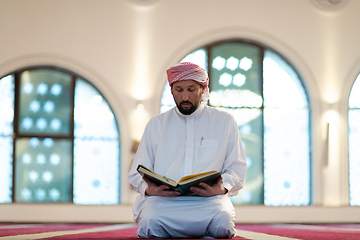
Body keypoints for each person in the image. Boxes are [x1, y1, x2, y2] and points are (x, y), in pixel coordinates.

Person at [128, 62, 247, 239]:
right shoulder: (156, 124)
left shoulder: (225, 121)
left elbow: (236, 167)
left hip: (209, 201)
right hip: (163, 201)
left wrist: (221, 189)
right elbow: (137, 172)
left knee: (223, 223)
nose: (184, 97)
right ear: (171, 91)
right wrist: (149, 190)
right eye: (179, 90)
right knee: (150, 222)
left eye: (191, 90)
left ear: (203, 88)